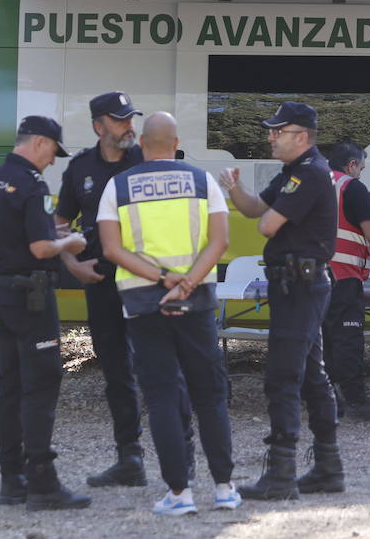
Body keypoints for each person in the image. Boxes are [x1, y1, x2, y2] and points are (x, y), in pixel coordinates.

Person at [98, 112, 239, 516]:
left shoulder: (117, 186)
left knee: (161, 397)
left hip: (145, 302)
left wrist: (163, 278)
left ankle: (179, 494)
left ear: (143, 143)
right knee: (210, 395)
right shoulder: (202, 181)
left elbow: (112, 248)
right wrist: (189, 281)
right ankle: (225, 489)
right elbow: (220, 240)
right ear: (176, 142)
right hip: (195, 301)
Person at [55, 91, 184, 490]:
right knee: (116, 372)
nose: (129, 125)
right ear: (98, 126)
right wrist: (72, 263)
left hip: (147, 279)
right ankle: (129, 457)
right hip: (102, 282)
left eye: (131, 118)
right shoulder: (80, 168)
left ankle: (183, 458)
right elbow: (61, 222)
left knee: (162, 366)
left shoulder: (146, 160)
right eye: (120, 119)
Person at [219, 101, 341, 499]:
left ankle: (282, 474)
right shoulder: (293, 174)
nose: (270, 137)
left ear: (301, 136)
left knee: (283, 377)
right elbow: (255, 208)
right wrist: (235, 187)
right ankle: (327, 467)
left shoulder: (309, 175)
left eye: (278, 131)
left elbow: (268, 225)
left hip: (301, 287)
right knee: (309, 374)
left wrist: (265, 214)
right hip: (295, 286)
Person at [0, 116, 91, 510]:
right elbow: (41, 249)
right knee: (41, 383)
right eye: (53, 153)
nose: (54, 162)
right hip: (32, 297)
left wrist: (45, 236)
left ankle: (12, 479)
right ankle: (43, 481)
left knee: (8, 383)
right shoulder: (32, 184)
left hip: (1, 293)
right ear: (40, 142)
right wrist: (70, 241)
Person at [321, 141, 370, 422]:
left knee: (321, 338)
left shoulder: (310, 182)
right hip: (342, 275)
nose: (361, 173)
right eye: (361, 167)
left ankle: (325, 398)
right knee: (347, 338)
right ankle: (357, 401)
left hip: (308, 273)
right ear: (351, 165)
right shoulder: (352, 187)